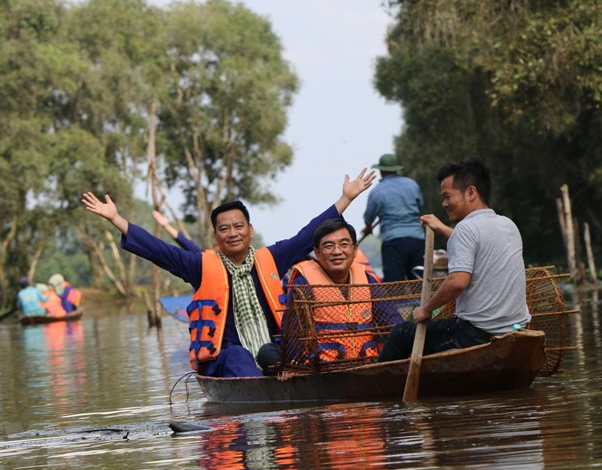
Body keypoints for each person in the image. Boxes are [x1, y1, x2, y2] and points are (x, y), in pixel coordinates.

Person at [81, 169, 376, 378]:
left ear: (250, 230)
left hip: (275, 350)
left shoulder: (271, 257)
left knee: (296, 355)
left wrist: (345, 200)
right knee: (238, 357)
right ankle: (260, 389)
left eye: (238, 226)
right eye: (225, 228)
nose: (233, 233)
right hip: (228, 354)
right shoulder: (200, 265)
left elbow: (307, 234)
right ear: (216, 236)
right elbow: (159, 250)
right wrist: (117, 219)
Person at [378, 158, 531, 361]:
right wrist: (442, 228)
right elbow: (478, 243)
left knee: (401, 333)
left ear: (471, 193)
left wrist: (425, 309)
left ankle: (377, 388)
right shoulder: (507, 224)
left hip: (475, 335)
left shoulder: (465, 229)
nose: (444, 204)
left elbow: (457, 282)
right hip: (517, 328)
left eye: (447, 196)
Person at [284, 218, 402, 364]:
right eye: (328, 246)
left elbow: (392, 321)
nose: (337, 251)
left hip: (368, 364)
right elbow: (292, 337)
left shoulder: (367, 280)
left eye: (344, 244)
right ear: (317, 253)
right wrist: (294, 365)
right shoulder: (303, 285)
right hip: (324, 369)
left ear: (355, 249)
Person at [362, 153, 425, 282]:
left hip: (393, 240)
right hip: (417, 238)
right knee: (419, 280)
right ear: (397, 169)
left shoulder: (377, 191)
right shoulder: (412, 184)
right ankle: (423, 302)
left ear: (381, 170)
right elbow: (420, 205)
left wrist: (368, 228)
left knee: (394, 283)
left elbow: (369, 217)